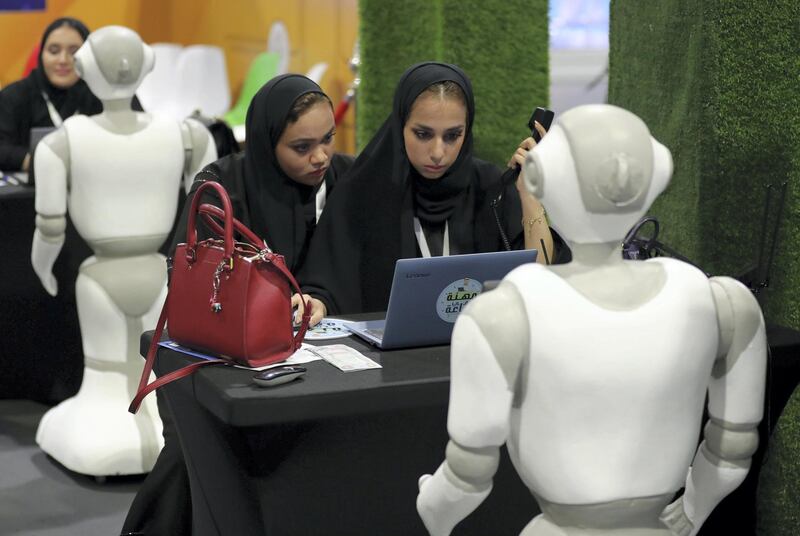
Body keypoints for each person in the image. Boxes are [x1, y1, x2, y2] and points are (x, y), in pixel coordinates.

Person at [415, 104, 766, 536]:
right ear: (656, 174)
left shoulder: (504, 311)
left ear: (541, 179)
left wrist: (433, 510)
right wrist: (693, 507)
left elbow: (467, 475)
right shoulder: (716, 299)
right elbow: (732, 450)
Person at [122, 73, 353, 536]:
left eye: (327, 139)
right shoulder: (223, 188)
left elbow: (354, 267)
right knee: (207, 453)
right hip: (220, 361)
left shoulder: (346, 178)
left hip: (315, 359)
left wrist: (321, 299)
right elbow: (196, 289)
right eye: (302, 146)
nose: (321, 156)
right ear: (268, 142)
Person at [297, 61, 556, 322]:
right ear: (400, 125)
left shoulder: (487, 187)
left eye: (453, 135)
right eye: (423, 134)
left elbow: (540, 275)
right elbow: (326, 288)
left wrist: (529, 195)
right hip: (386, 358)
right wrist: (317, 303)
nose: (437, 153)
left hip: (477, 347)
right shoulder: (362, 191)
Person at [0, 17, 141, 172]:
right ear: (41, 55)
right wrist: (36, 162)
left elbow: (139, 136)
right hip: (31, 192)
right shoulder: (14, 96)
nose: (63, 60)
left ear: (89, 56)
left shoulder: (110, 93)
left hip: (101, 186)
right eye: (54, 51)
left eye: (74, 52)